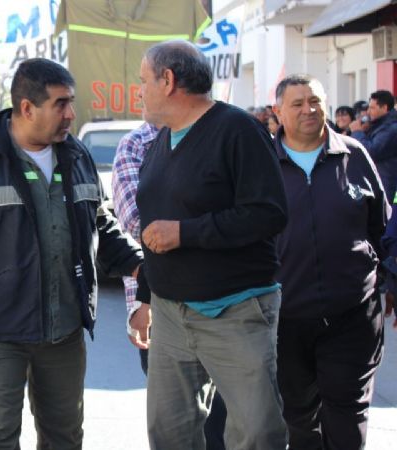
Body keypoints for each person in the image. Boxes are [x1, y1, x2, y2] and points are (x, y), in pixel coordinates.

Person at [0, 58, 145, 449]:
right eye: (61, 104)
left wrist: (140, 265)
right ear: (27, 108)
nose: (71, 114)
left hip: (64, 329)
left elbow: (100, 225)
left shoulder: (76, 156)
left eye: (71, 102)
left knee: (64, 436)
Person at [132, 40, 288, 449]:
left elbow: (268, 213)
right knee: (169, 433)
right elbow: (154, 225)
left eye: (143, 81)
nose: (139, 90)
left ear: (168, 81)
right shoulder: (159, 141)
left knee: (256, 434)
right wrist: (146, 298)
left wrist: (185, 233)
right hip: (169, 313)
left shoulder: (238, 129)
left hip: (235, 310)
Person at [272, 74, 387, 450]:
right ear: (278, 112)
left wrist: (386, 280)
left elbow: (381, 227)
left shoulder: (356, 155)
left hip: (352, 314)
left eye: (316, 101)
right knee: (299, 418)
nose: (309, 109)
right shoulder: (262, 166)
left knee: (346, 413)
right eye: (298, 103)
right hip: (285, 319)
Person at [112, 122, 228, 450]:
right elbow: (140, 225)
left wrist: (183, 228)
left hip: (227, 305)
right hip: (161, 305)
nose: (141, 93)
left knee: (224, 420)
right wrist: (206, 229)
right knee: (177, 422)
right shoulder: (137, 144)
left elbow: (246, 216)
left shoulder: (223, 134)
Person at [350, 90, 397, 201]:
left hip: (386, 185)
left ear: (384, 108)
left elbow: (371, 151)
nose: (368, 112)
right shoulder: (378, 125)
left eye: (372, 108)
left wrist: (357, 132)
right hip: (374, 182)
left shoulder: (391, 129)